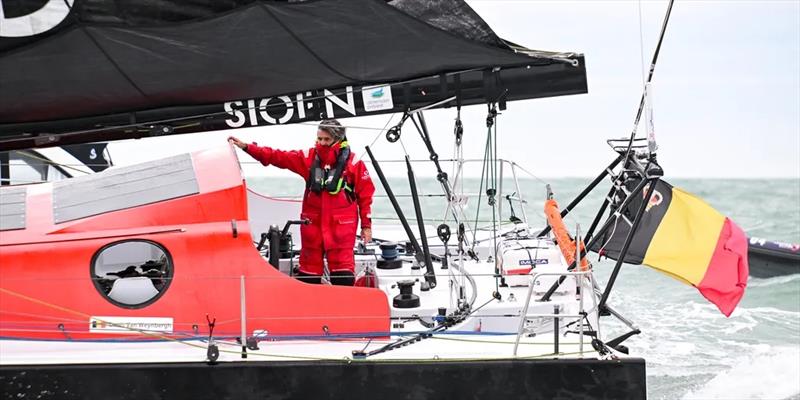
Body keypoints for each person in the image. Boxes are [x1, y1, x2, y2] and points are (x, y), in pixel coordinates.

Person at [228, 120, 374, 286]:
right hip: (312, 227)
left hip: (341, 229)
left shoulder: (354, 164)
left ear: (339, 140)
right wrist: (248, 148)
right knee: (308, 276)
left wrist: (366, 226)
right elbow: (278, 157)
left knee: (343, 277)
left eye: (326, 139)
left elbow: (366, 195)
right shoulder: (308, 158)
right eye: (319, 139)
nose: (322, 143)